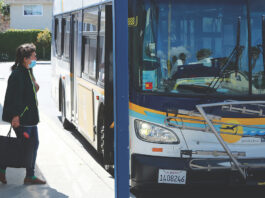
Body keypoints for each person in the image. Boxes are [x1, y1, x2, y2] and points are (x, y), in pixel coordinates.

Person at [0, 43, 46, 185]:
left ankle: (12, 172)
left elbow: (30, 92)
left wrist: (34, 85)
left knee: (29, 145)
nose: (36, 58)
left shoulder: (26, 72)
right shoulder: (18, 74)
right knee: (25, 147)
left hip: (30, 118)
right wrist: (15, 116)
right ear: (25, 59)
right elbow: (14, 98)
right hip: (23, 119)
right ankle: (28, 175)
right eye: (34, 56)